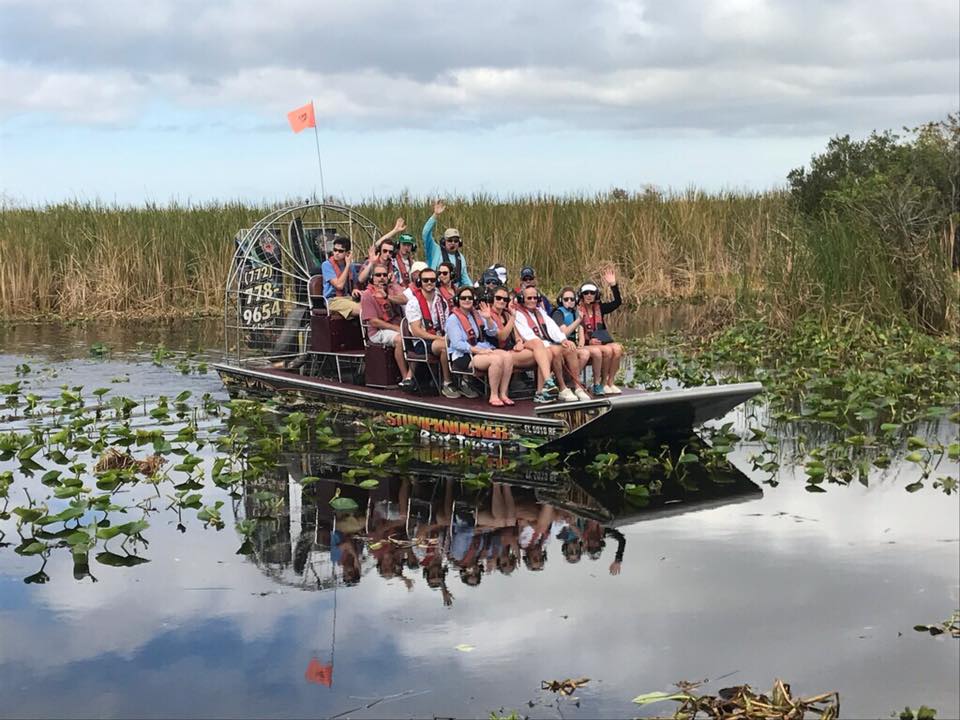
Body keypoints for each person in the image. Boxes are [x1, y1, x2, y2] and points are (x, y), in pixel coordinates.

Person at [513, 287, 591, 403]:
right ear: (522, 299)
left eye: (535, 298)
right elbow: (527, 335)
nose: (533, 300)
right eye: (529, 298)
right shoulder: (518, 314)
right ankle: (562, 387)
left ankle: (578, 386)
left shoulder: (540, 312)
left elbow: (552, 327)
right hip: (531, 344)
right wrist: (549, 344)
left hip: (546, 343)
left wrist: (563, 339)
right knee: (553, 351)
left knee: (570, 347)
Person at [445, 286, 516, 407]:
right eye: (463, 298)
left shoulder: (477, 314)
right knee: (496, 359)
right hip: (463, 355)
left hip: (480, 349)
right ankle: (493, 395)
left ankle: (503, 394)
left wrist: (488, 319)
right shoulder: (453, 319)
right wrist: (477, 350)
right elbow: (457, 344)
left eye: (470, 298)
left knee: (508, 357)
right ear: (458, 299)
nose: (467, 300)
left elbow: (492, 332)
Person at [405, 266, 460, 399]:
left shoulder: (441, 300)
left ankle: (465, 382)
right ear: (420, 282)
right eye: (425, 280)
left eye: (432, 280)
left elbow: (448, 322)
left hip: (441, 336)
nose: (429, 282)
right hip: (422, 343)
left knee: (462, 343)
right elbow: (417, 331)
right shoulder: (413, 303)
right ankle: (447, 383)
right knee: (444, 347)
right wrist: (438, 338)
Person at [360, 263, 414, 389]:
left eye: (384, 275)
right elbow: (374, 322)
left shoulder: (391, 291)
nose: (382, 278)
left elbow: (406, 298)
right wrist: (396, 329)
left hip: (396, 325)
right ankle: (404, 376)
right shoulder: (367, 295)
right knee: (400, 339)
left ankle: (412, 376)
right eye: (378, 275)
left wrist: (391, 293)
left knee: (416, 334)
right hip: (378, 332)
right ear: (372, 278)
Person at [579, 268, 624, 394]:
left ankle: (609, 383)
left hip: (602, 340)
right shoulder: (577, 310)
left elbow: (617, 302)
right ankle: (599, 382)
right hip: (587, 343)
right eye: (586, 293)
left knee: (618, 349)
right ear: (581, 295)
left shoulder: (600, 308)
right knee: (608, 350)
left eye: (592, 293)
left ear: (596, 295)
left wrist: (613, 285)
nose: (589, 295)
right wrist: (589, 340)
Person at [552, 286, 602, 394]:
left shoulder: (576, 312)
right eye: (566, 299)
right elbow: (564, 333)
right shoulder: (558, 314)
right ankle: (570, 380)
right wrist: (578, 320)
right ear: (561, 300)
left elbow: (581, 329)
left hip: (574, 346)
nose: (569, 301)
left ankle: (596, 383)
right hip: (562, 345)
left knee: (591, 352)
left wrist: (581, 343)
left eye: (572, 299)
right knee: (584, 354)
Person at [422, 200, 472, 287]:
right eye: (450, 240)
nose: (453, 243)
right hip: (435, 289)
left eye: (456, 241)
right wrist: (435, 215)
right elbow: (425, 234)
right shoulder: (434, 250)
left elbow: (465, 279)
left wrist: (473, 290)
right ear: (444, 241)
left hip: (453, 292)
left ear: (459, 243)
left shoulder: (460, 258)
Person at [320, 236, 362, 317]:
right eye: (335, 250)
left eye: (340, 251)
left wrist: (355, 290)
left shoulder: (351, 266)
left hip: (348, 297)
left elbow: (355, 284)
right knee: (361, 309)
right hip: (333, 300)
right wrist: (347, 266)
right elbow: (339, 285)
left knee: (371, 306)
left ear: (348, 253)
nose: (336, 253)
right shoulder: (326, 265)